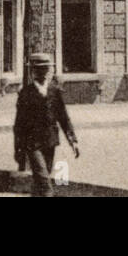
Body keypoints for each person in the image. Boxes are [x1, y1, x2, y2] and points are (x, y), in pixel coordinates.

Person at [13, 52, 79, 197]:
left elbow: (63, 118)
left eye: (45, 69)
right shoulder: (26, 93)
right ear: (32, 72)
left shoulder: (54, 92)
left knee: (40, 182)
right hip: (32, 144)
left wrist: (72, 140)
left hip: (50, 142)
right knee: (44, 182)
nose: (42, 73)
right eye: (38, 69)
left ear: (49, 70)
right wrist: (18, 149)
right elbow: (19, 125)